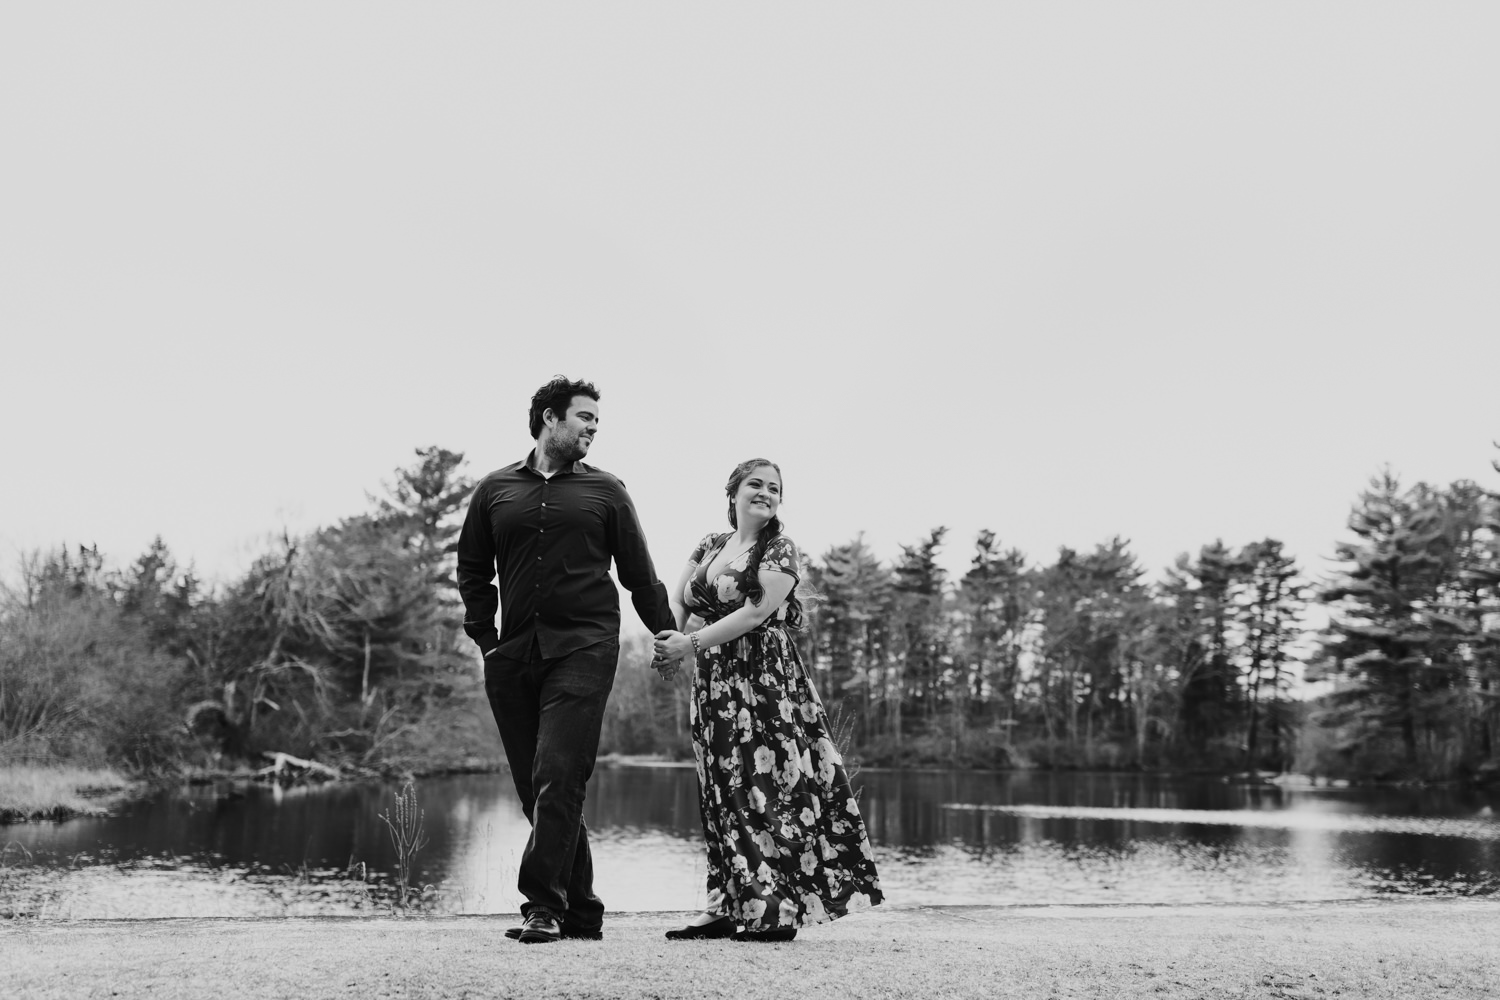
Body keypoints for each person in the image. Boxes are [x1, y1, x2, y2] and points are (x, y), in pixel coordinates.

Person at [456, 376, 680, 944]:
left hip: (585, 645)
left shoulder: (606, 491)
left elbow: (638, 572)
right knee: (536, 786)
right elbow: (472, 570)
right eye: (584, 418)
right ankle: (582, 909)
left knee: (560, 770)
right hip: (512, 652)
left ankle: (542, 906)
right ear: (549, 418)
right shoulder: (493, 490)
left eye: (597, 423)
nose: (593, 429)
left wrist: (667, 635)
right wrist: (485, 640)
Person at [652, 458, 883, 942]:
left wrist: (690, 644)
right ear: (733, 492)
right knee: (719, 789)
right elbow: (678, 600)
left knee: (767, 786)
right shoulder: (710, 544)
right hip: (714, 680)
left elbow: (755, 614)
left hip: (763, 680)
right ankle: (724, 903)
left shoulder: (779, 548)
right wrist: (668, 641)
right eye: (755, 484)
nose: (765, 492)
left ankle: (777, 910)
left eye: (774, 488)